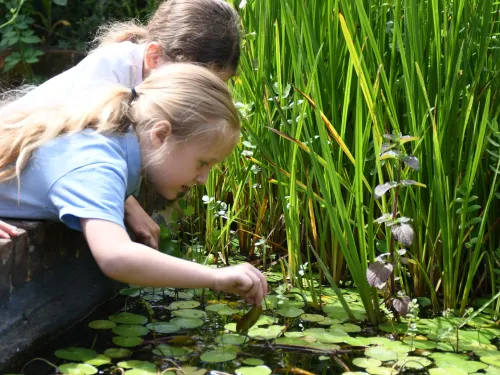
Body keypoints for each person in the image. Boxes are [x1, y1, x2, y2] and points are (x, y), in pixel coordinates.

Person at [0, 63, 267, 306]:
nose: (203, 178)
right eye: (202, 163)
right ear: (161, 135)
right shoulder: (96, 165)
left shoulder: (110, 137)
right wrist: (214, 278)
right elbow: (115, 256)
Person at [0, 0, 241, 248]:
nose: (201, 94)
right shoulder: (111, 68)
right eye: (194, 80)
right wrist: (128, 205)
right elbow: (85, 151)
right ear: (154, 56)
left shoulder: (145, 88)